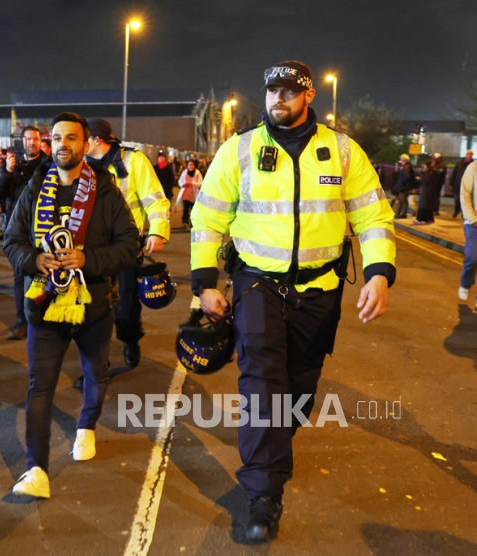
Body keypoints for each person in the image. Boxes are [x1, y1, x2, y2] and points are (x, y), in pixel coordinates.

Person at [191, 61, 395, 542]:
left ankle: (273, 450)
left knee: (300, 390)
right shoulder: (239, 149)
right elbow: (207, 219)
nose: (277, 98)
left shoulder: (342, 152)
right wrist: (205, 282)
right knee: (262, 385)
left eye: (287, 90)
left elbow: (374, 217)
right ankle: (263, 494)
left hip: (320, 291)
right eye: (271, 91)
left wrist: (379, 272)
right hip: (257, 287)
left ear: (307, 97)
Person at [3, 112, 138, 499]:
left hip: (93, 305)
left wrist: (88, 260)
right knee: (39, 386)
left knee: (95, 372)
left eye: (71, 138)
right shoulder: (35, 188)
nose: (63, 144)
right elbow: (12, 240)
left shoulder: (105, 191)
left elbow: (128, 245)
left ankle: (86, 427)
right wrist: (34, 261)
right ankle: (36, 470)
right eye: (57, 138)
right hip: (44, 305)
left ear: (85, 144)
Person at [84, 118, 171, 368]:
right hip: (93, 251)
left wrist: (157, 232)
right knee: (93, 308)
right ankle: (97, 363)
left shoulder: (134, 161)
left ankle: (130, 340)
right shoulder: (81, 165)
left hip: (126, 248)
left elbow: (156, 200)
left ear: (96, 140)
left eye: (84, 139)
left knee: (126, 307)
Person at [0, 126, 48, 340]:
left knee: (46, 273)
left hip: (43, 229)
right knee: (20, 276)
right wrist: (6, 171)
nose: (31, 143)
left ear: (40, 141)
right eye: (27, 139)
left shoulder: (49, 165)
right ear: (21, 142)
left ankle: (46, 318)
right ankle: (22, 321)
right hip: (18, 230)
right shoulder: (11, 165)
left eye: (35, 139)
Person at [458, 158, 477, 305]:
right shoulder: (473, 168)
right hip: (473, 223)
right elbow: (465, 194)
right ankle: (465, 283)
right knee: (473, 257)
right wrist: (472, 218)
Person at [177, 159, 203, 228]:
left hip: (194, 194)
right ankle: (185, 222)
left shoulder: (198, 173)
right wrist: (183, 184)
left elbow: (201, 183)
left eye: (192, 165)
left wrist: (193, 184)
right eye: (189, 165)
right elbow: (180, 181)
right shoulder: (184, 172)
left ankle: (193, 222)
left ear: (194, 166)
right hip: (185, 194)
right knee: (185, 209)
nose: (191, 166)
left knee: (193, 209)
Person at [414, 159, 439, 225]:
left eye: (424, 165)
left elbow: (427, 181)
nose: (424, 167)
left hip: (428, 191)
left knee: (424, 205)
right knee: (426, 205)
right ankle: (426, 219)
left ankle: (421, 219)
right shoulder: (432, 171)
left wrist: (419, 179)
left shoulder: (431, 172)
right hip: (428, 190)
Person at [391, 154, 415, 219]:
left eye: (401, 160)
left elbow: (407, 177)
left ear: (403, 160)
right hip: (405, 186)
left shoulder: (406, 167)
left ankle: (398, 214)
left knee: (401, 200)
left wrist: (401, 183)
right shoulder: (407, 166)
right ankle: (403, 214)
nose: (400, 161)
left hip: (404, 186)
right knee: (404, 200)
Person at [451, 150, 473, 218]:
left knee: (466, 200)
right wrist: (451, 183)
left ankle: (464, 213)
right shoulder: (459, 163)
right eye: (468, 154)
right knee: (457, 199)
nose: (469, 156)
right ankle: (456, 210)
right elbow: (454, 173)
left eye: (470, 154)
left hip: (468, 185)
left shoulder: (473, 164)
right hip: (458, 184)